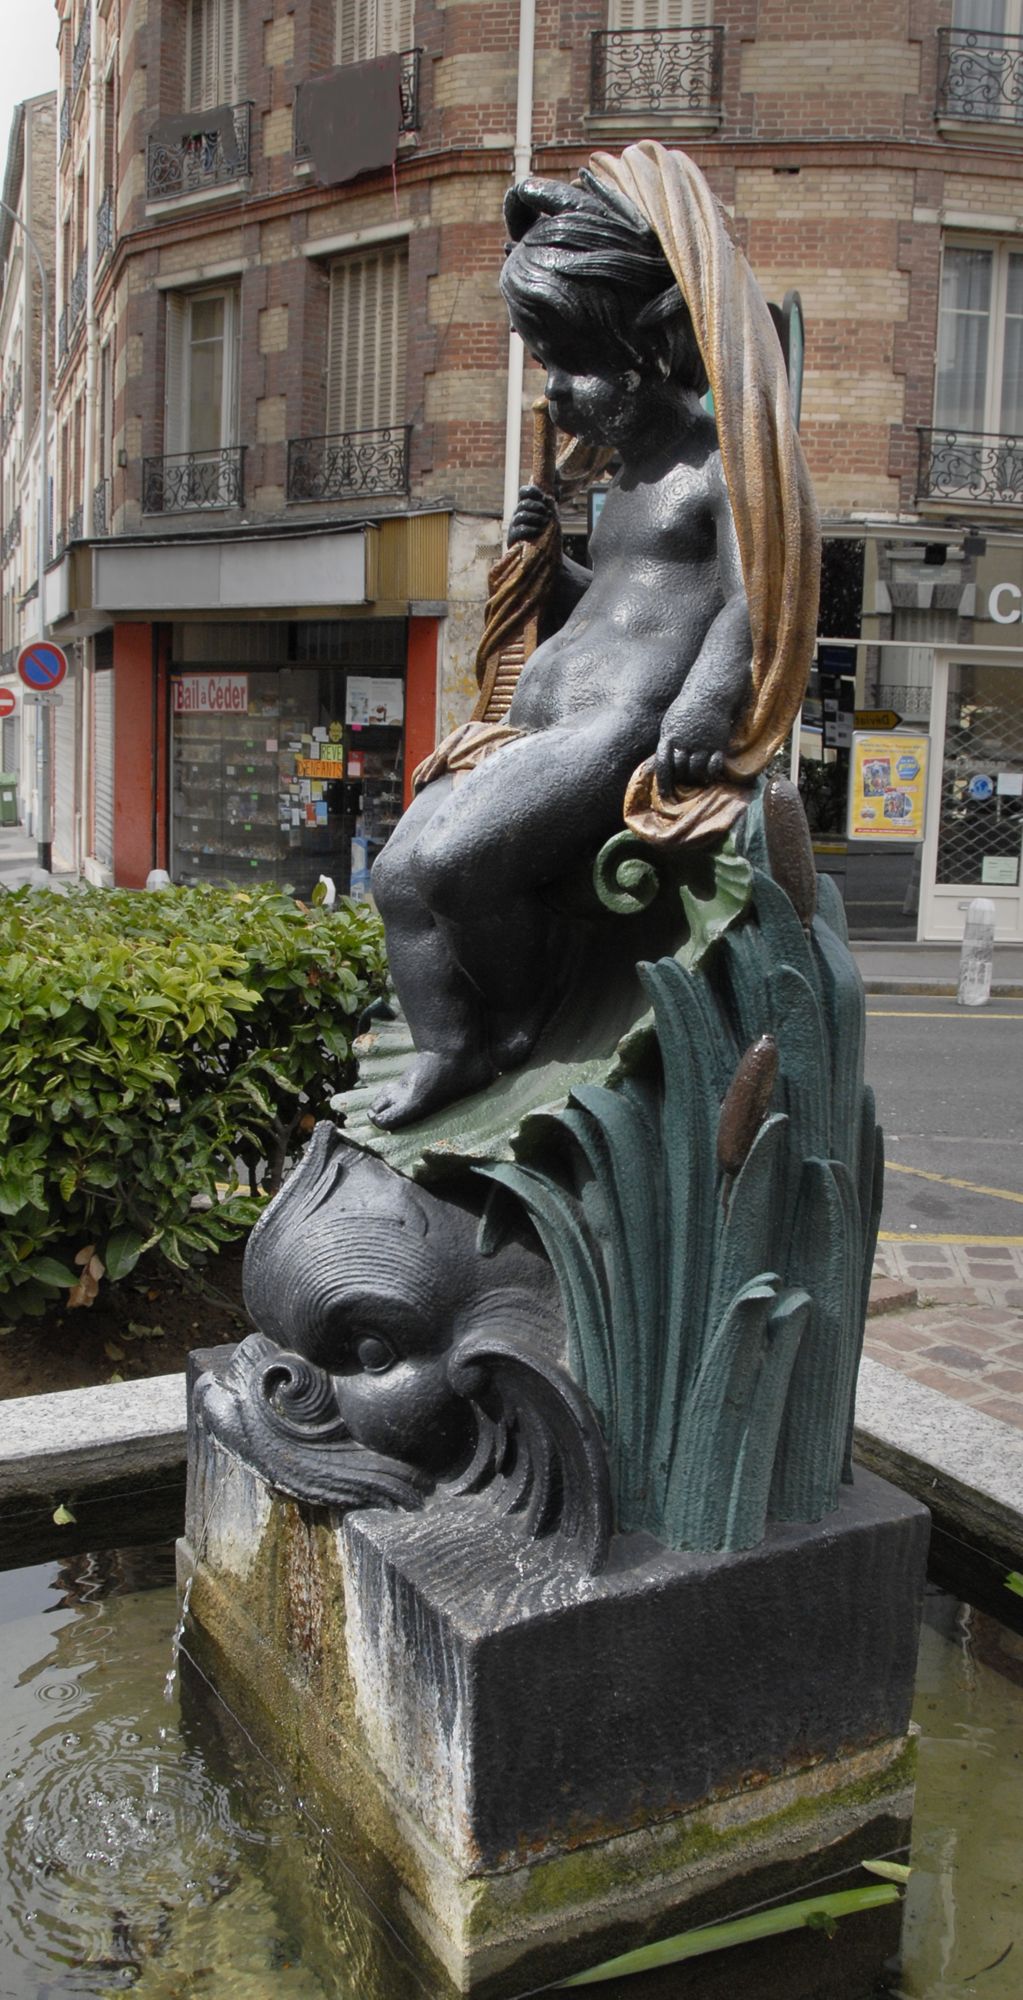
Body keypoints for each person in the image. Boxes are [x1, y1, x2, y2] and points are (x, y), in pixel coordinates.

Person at [369, 144, 818, 1131]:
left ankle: (529, 1020)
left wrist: (706, 697)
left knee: (455, 867)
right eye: (547, 367)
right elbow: (614, 604)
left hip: (616, 727)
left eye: (575, 366)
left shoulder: (720, 468)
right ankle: (452, 1047)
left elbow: (754, 596)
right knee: (396, 878)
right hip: (536, 722)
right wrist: (549, 566)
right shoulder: (622, 485)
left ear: (653, 346)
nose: (555, 394)